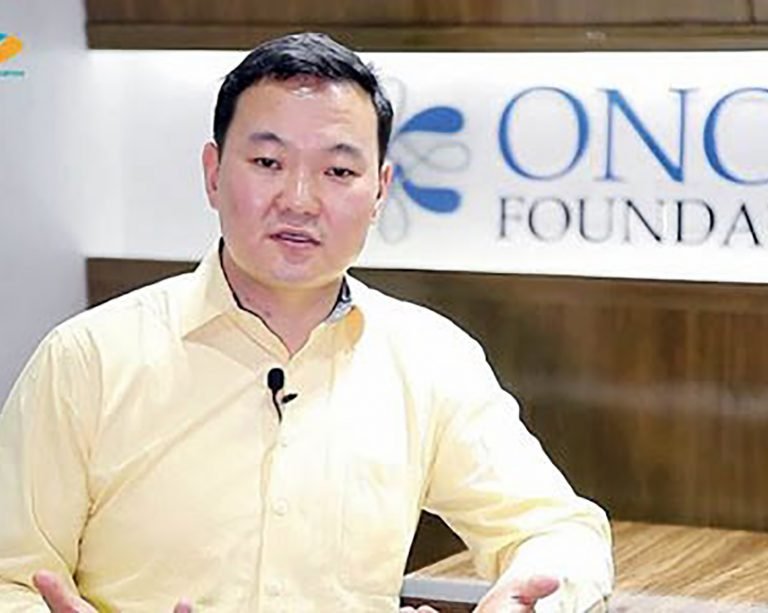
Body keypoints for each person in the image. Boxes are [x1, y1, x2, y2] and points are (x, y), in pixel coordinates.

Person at [0, 33, 613, 611]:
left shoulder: (430, 360)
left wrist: (530, 598)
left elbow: (560, 530)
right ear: (213, 172)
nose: (298, 199)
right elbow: (10, 575)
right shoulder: (86, 359)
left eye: (338, 171)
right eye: (267, 161)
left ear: (380, 190)